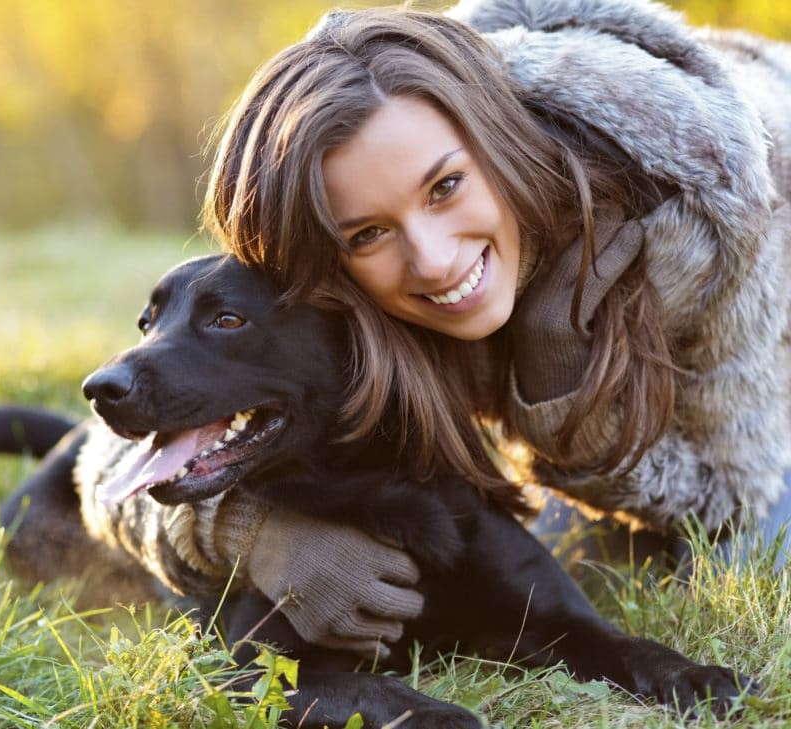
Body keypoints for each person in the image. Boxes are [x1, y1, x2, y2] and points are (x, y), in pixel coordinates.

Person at [93, 0, 791, 658]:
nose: (432, 259)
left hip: (761, 408)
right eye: (368, 231)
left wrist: (557, 398)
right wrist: (259, 535)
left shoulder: (704, 215)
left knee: (709, 553)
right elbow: (111, 462)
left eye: (446, 187)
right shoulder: (349, 294)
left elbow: (724, 494)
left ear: (496, 140)